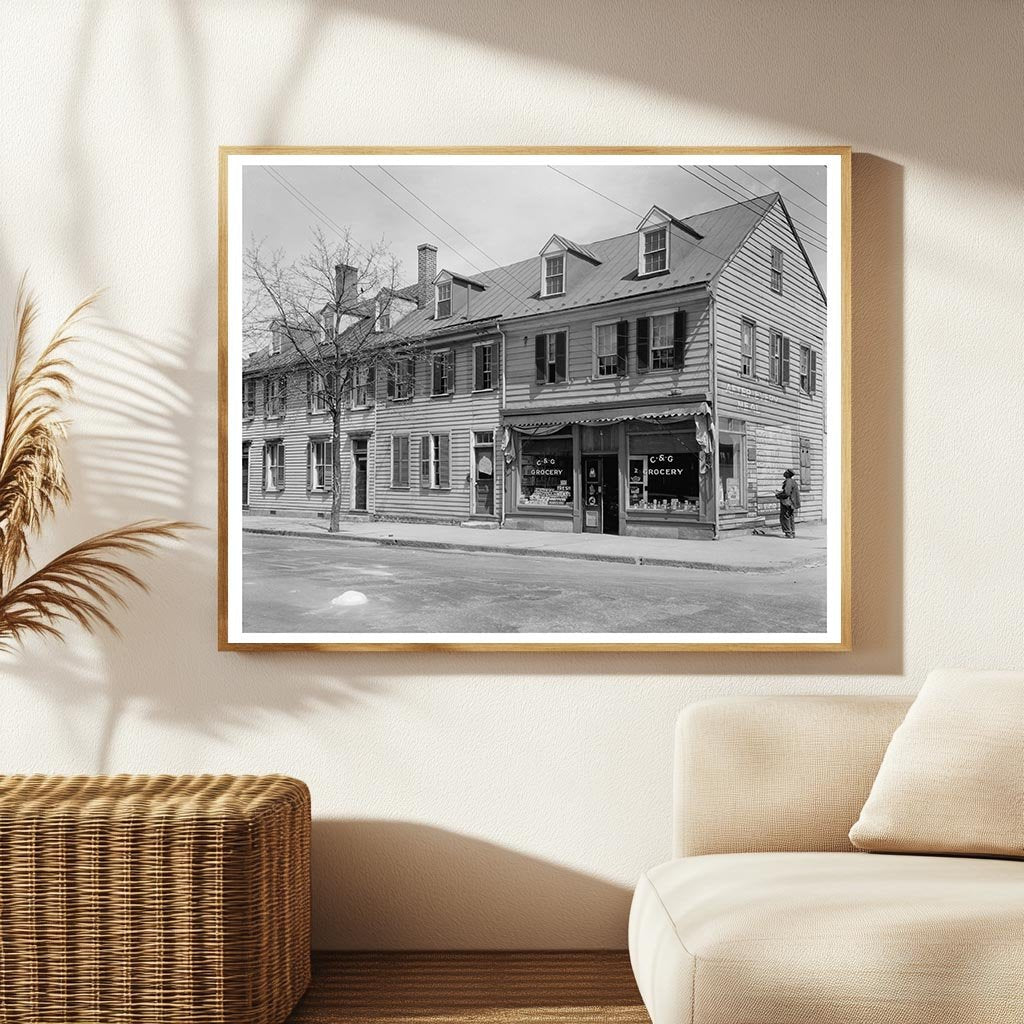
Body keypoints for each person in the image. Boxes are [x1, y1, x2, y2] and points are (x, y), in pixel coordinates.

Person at [776, 469, 801, 538]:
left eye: (786, 472)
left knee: (785, 517)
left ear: (788, 474)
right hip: (791, 503)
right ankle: (792, 533)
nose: (784, 473)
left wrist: (778, 495)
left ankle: (788, 533)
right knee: (790, 517)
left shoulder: (788, 481)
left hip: (787, 502)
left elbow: (787, 493)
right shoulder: (793, 481)